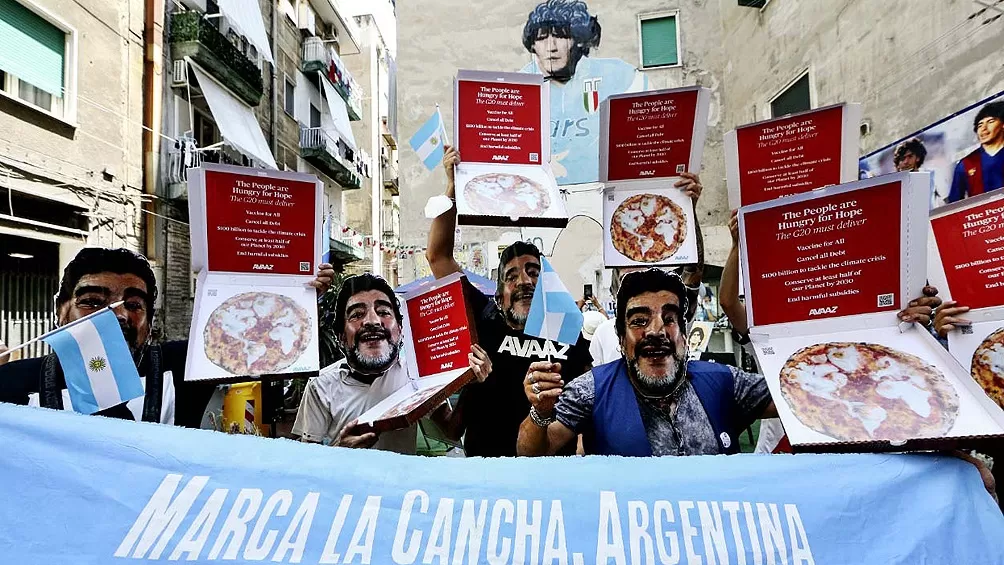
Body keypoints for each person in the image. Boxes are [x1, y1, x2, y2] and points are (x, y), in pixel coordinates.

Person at [0, 247, 336, 427]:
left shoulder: (182, 367)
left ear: (149, 320)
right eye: (93, 301)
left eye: (133, 304)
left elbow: (266, 354)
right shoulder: (11, 386)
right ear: (62, 310)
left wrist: (301, 294)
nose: (117, 315)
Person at [425, 146, 599, 456]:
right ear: (498, 290)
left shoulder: (567, 327)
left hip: (551, 479)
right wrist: (452, 188)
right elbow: (438, 257)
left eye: (534, 272)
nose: (525, 282)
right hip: (488, 481)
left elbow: (591, 399)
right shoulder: (482, 314)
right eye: (512, 276)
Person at [517, 269, 776, 456]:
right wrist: (539, 413)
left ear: (684, 337)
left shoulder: (724, 381)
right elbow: (531, 453)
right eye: (639, 321)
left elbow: (796, 398)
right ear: (621, 339)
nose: (655, 331)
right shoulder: (591, 391)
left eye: (670, 318)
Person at [292, 273, 492, 453]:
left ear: (401, 329)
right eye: (357, 314)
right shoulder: (320, 386)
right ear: (341, 336)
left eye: (384, 312)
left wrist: (470, 382)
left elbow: (451, 430)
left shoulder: (415, 376)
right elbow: (308, 464)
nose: (372, 321)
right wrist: (341, 449)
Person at [519, 0, 647, 184]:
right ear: (532, 45)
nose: (551, 46)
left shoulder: (619, 76)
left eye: (561, 36)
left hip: (605, 200)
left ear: (578, 41)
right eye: (541, 38)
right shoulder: (517, 87)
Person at [948, 101, 1004, 203]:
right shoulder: (966, 164)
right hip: (985, 217)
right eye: (980, 125)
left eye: (990, 121)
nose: (983, 128)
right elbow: (954, 203)